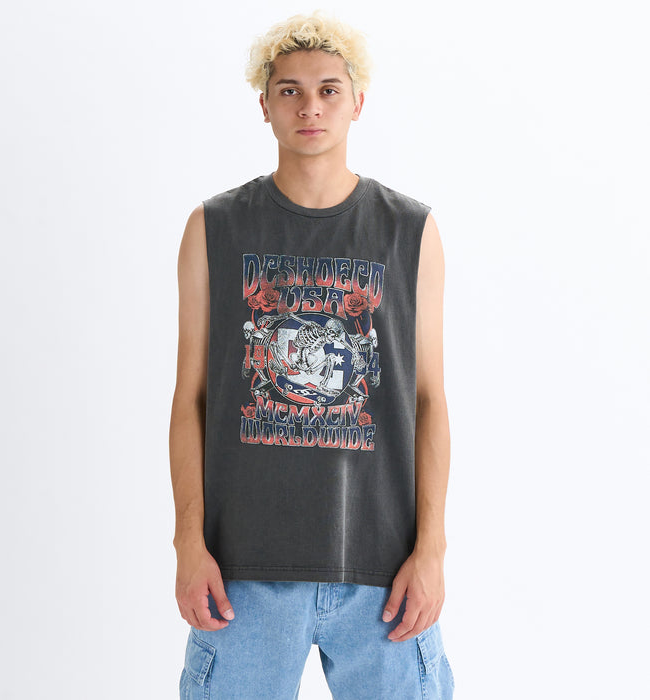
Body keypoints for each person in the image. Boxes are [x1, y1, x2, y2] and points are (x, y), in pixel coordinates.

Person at [168, 11, 454, 699]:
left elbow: (428, 400)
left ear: (358, 102)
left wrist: (432, 551)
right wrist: (188, 544)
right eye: (289, 90)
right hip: (242, 575)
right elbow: (190, 399)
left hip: (382, 576)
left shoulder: (409, 230)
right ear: (264, 105)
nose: (310, 107)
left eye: (328, 89)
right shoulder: (214, 227)